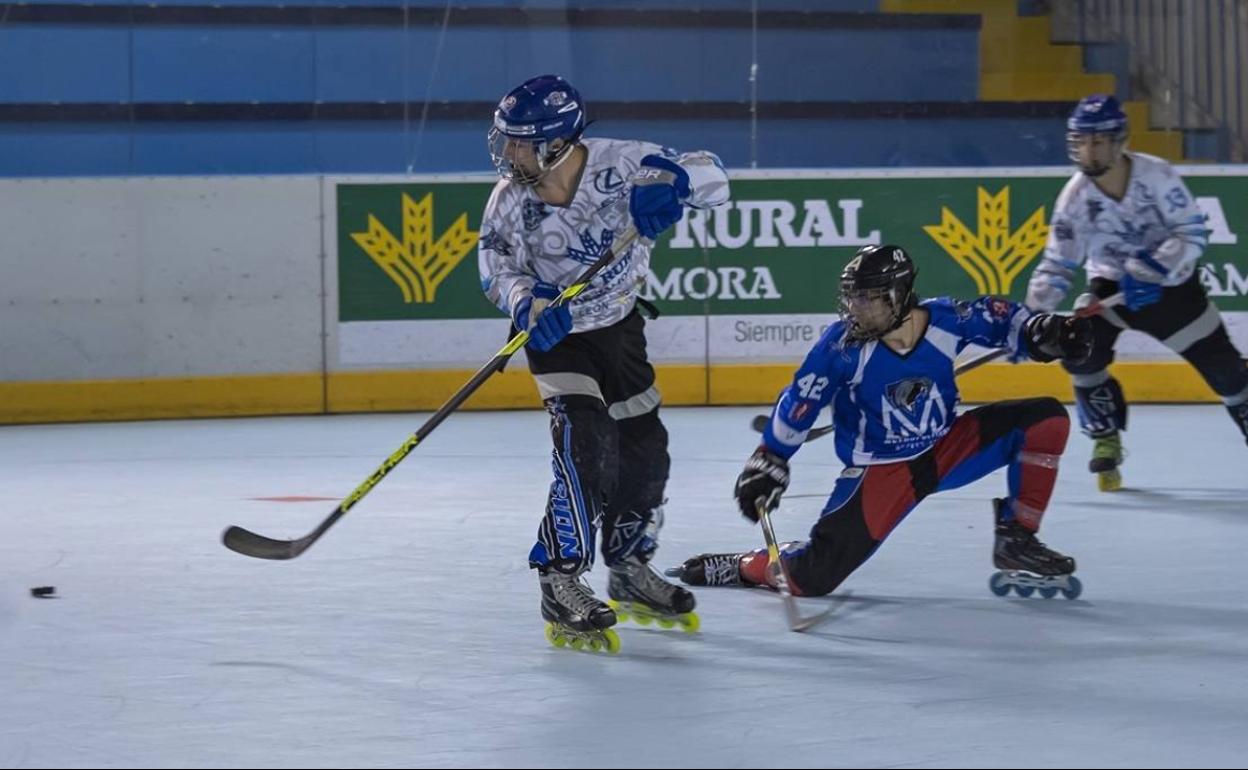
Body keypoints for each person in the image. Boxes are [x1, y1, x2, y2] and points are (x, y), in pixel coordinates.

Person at [673, 244, 1092, 601]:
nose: (856, 308)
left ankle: (1018, 538)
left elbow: (1006, 321)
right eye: (852, 297)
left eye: (868, 298)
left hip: (949, 448)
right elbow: (800, 402)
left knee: (1046, 420)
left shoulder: (947, 319)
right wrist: (770, 457)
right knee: (809, 579)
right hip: (882, 471)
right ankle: (744, 565)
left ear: (899, 295)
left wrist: (1044, 332)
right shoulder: (840, 347)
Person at [478, 74, 730, 650]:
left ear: (558, 143)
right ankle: (560, 577)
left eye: (521, 142)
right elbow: (492, 263)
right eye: (507, 141)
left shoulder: (628, 163)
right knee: (586, 443)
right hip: (556, 334)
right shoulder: (509, 200)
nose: (509, 154)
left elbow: (716, 176)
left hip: (620, 328)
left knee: (645, 450)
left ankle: (628, 566)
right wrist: (526, 301)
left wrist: (675, 182)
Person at [1024, 94, 1248, 491]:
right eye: (1082, 141)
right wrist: (1029, 321)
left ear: (1119, 141)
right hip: (1109, 289)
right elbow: (1058, 264)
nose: (1089, 151)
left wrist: (1155, 269)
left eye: (1098, 141)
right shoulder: (1074, 198)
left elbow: (1192, 233)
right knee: (1081, 352)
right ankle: (1105, 438)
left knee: (1229, 375)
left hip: (1172, 290)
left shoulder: (1156, 176)